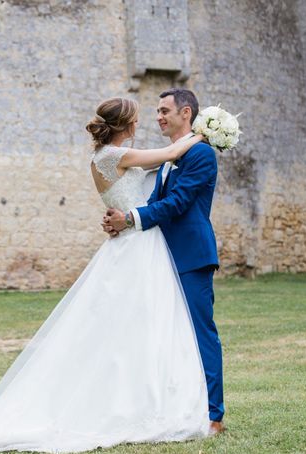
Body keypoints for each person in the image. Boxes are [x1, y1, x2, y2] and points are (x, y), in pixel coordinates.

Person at [0, 97, 210, 454]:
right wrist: (207, 133)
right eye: (138, 119)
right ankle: (131, 404)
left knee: (129, 328)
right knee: (132, 326)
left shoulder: (105, 159)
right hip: (136, 248)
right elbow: (169, 154)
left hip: (135, 245)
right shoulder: (117, 156)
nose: (146, 122)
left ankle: (144, 398)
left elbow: (153, 180)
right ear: (126, 125)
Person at [103, 89, 225, 434]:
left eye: (164, 110)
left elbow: (177, 204)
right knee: (169, 335)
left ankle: (214, 415)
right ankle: (177, 406)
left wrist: (129, 219)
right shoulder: (170, 158)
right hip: (161, 255)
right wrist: (123, 220)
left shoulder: (200, 154)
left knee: (201, 334)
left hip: (190, 255)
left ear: (186, 113)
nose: (158, 116)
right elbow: (154, 199)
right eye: (156, 111)